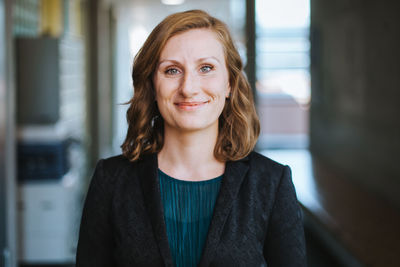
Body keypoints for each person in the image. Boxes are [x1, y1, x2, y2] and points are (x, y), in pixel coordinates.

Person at [76, 9, 306, 267]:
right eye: (172, 70)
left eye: (206, 68)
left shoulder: (272, 183)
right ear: (152, 84)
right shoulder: (111, 180)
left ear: (229, 83)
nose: (188, 88)